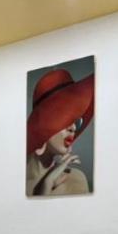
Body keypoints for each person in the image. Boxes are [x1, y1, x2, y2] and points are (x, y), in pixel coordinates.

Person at [25, 66, 94, 196]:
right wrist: (45, 187)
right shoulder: (16, 183)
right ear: (41, 127)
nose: (73, 128)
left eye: (76, 121)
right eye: (64, 119)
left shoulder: (75, 180)